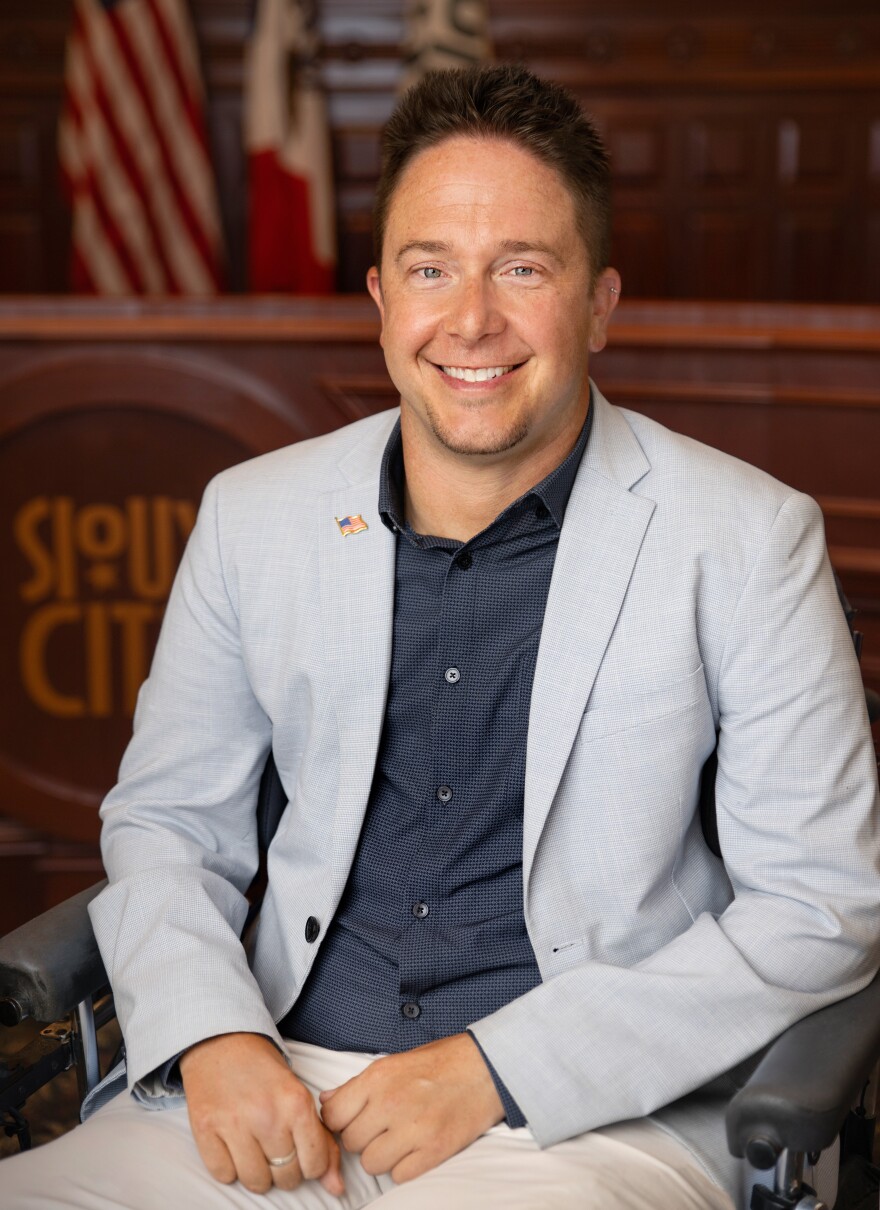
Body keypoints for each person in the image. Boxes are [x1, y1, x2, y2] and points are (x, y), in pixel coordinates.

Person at [2, 63, 878, 1210]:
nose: (471, 319)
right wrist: (215, 1037)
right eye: (430, 270)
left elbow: (819, 906)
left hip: (584, 1114)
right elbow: (169, 822)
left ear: (600, 303)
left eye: (523, 268)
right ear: (380, 298)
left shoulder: (747, 536)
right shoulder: (253, 513)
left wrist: (498, 1067)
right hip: (273, 1081)